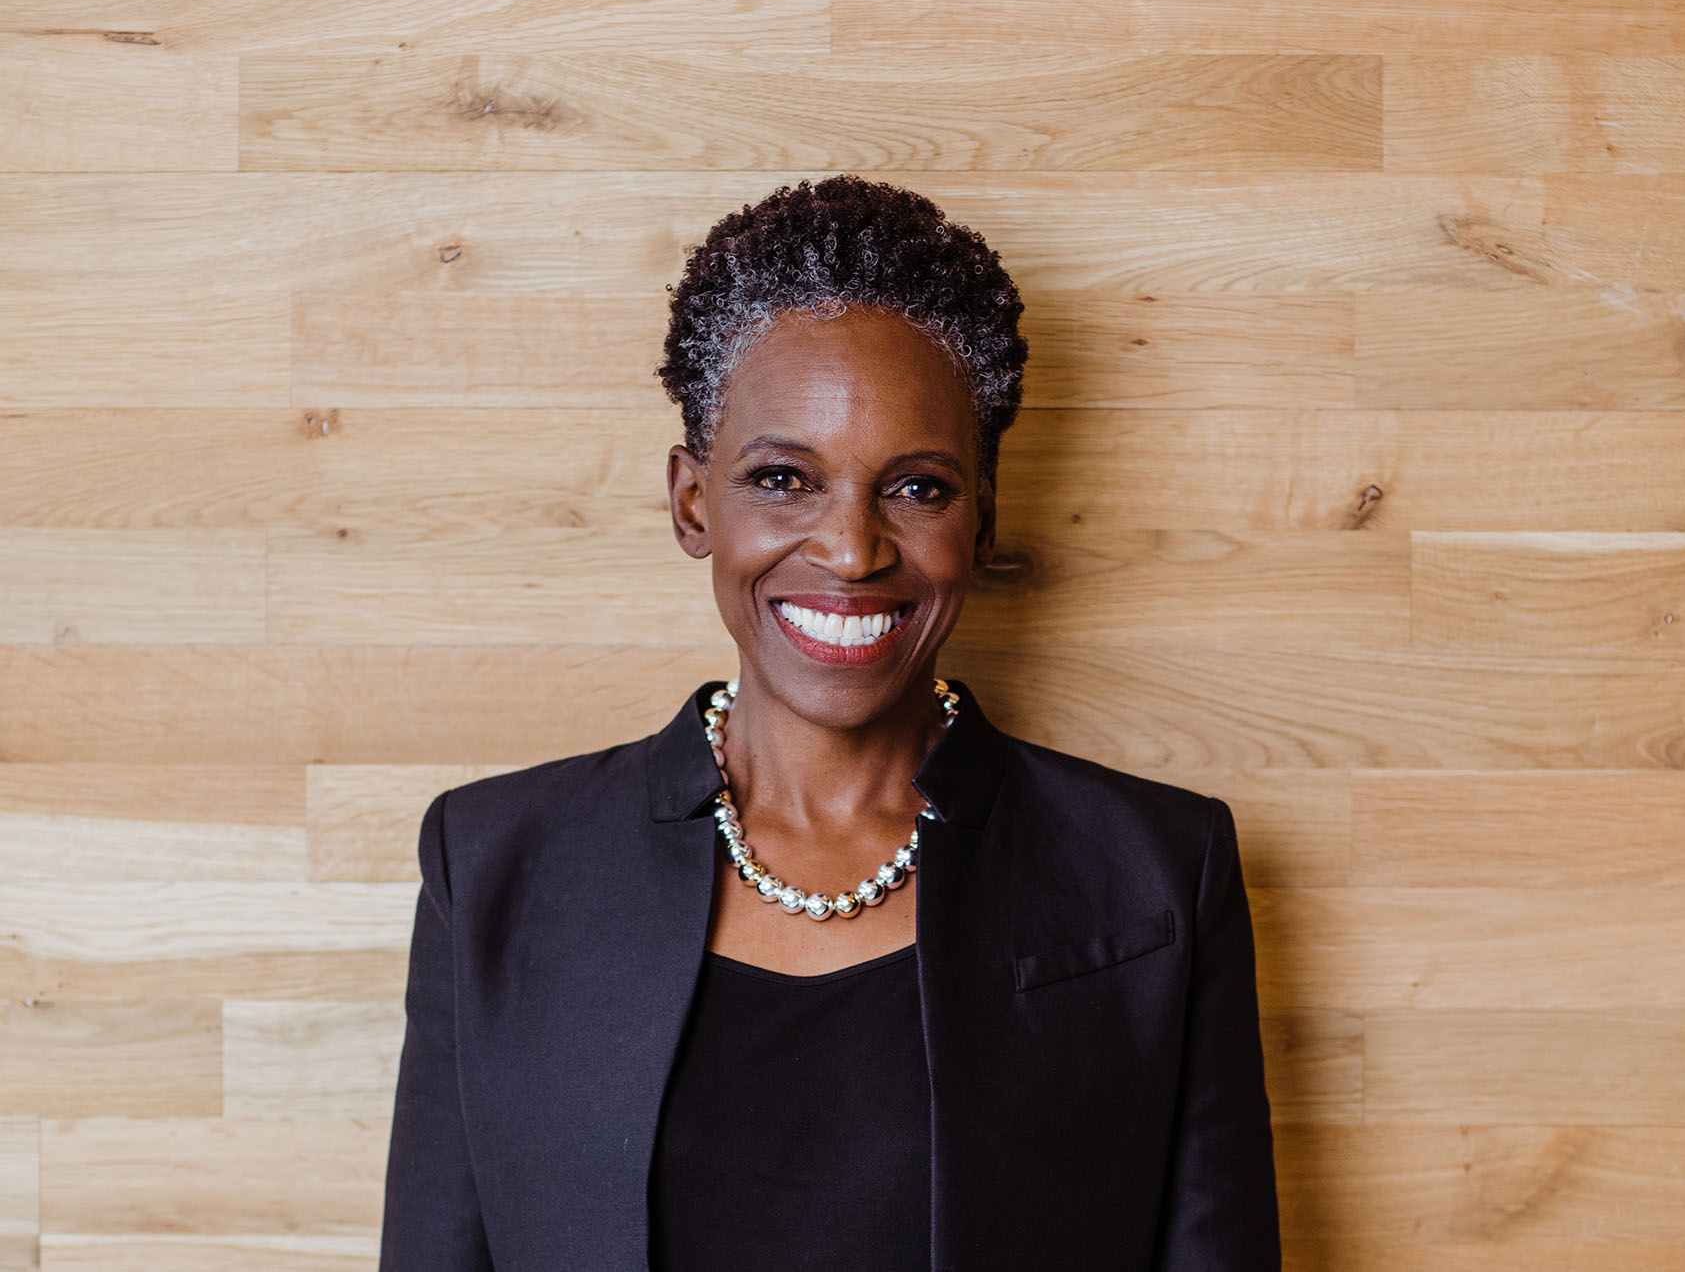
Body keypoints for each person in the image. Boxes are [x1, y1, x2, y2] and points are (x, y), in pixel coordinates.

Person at [378, 174, 1281, 1271]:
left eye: (917, 489)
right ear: (691, 502)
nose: (851, 550)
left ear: (983, 515)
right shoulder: (496, 867)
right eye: (781, 478)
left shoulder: (1153, 873)